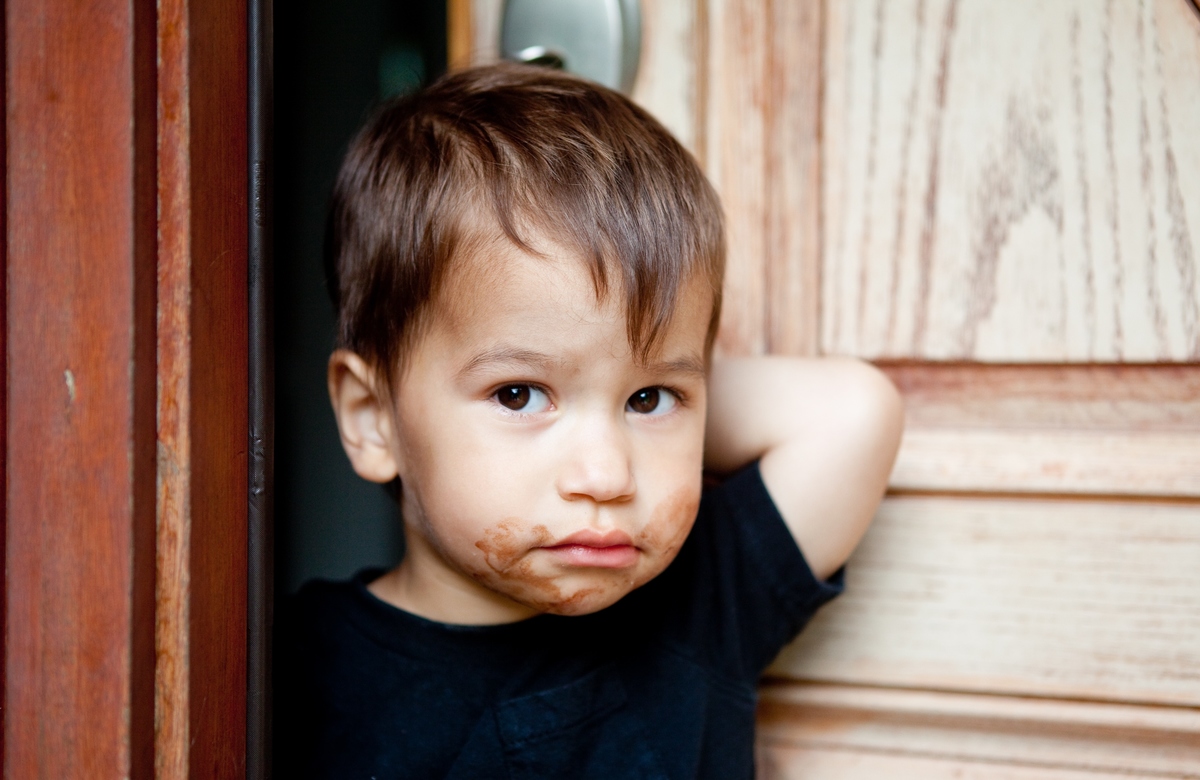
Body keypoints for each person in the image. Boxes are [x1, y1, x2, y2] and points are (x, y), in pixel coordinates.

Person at [274, 62, 903, 779]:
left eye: (648, 401)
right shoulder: (286, 667)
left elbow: (854, 412)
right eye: (520, 395)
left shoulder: (700, 604)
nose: (606, 476)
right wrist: (641, 382)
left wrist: (671, 379)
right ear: (372, 417)